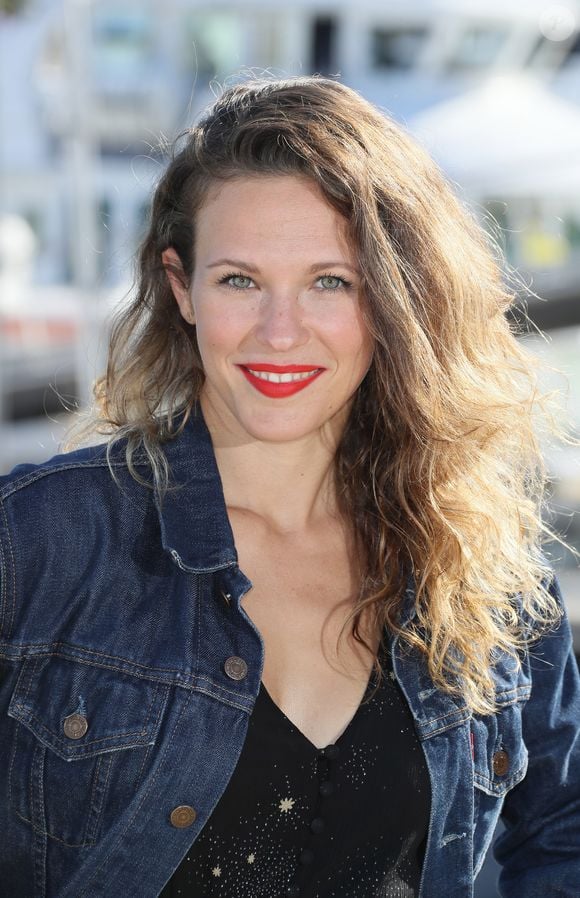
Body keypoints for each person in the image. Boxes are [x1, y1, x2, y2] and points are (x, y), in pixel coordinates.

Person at [1, 76, 579, 898]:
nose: (280, 331)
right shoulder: (40, 541)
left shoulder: (484, 572)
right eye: (239, 280)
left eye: (329, 282)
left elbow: (564, 829)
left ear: (391, 297)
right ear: (181, 288)